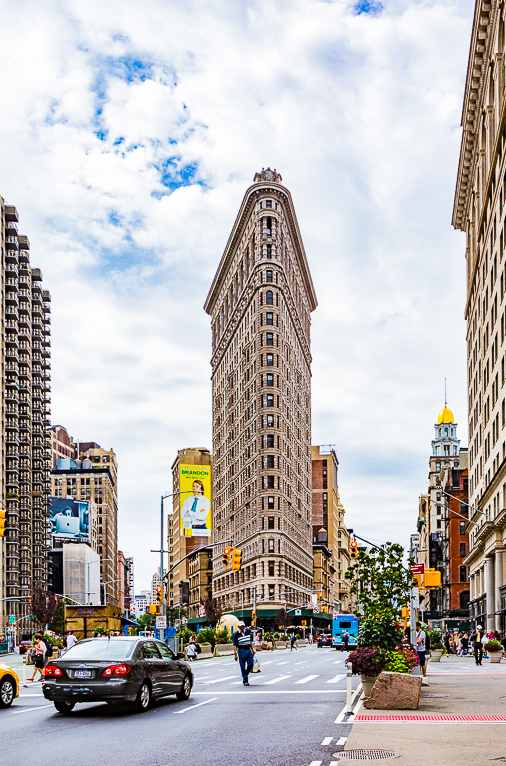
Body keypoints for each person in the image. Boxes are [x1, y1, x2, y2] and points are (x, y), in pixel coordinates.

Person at [233, 620, 256, 686]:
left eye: (243, 626)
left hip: (248, 650)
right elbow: (235, 644)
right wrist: (235, 654)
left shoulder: (248, 631)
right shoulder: (237, 634)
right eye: (240, 626)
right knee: (242, 666)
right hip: (241, 650)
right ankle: (245, 680)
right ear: (238, 627)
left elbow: (250, 642)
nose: (242, 628)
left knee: (250, 664)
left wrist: (252, 649)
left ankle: (245, 673)